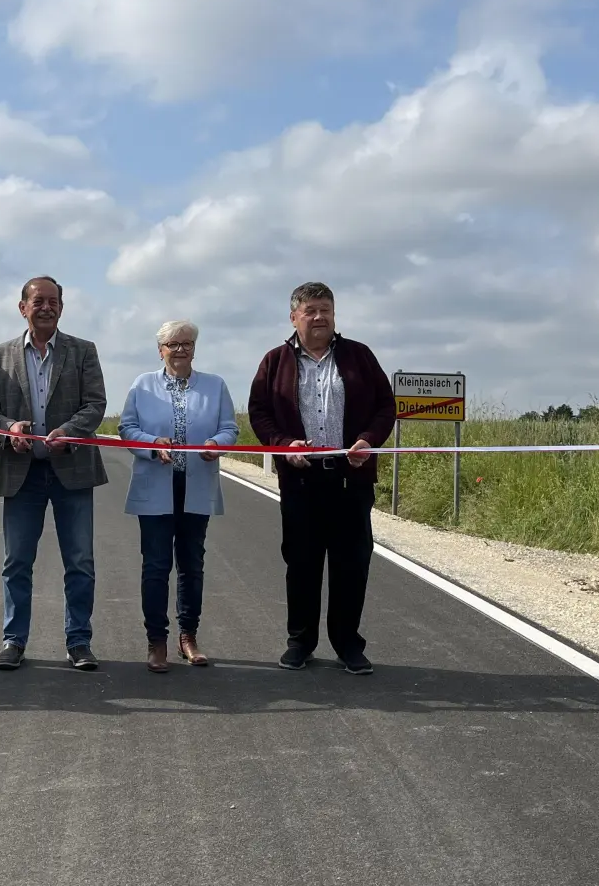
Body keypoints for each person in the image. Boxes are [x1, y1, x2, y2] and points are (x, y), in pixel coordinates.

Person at [247, 281, 394, 675]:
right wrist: (282, 444)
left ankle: (348, 645)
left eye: (325, 309)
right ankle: (300, 643)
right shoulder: (274, 361)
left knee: (352, 565)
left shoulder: (359, 357)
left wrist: (367, 440)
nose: (319, 317)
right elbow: (259, 413)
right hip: (301, 482)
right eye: (310, 310)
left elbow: (385, 406)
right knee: (302, 563)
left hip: (351, 480)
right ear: (294, 317)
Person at [0, 275, 108, 671]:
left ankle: (79, 641)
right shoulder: (0, 356)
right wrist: (9, 428)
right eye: (38, 301)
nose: (46, 307)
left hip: (72, 470)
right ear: (23, 307)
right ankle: (14, 639)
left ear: (62, 308)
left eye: (53, 301)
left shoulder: (83, 351)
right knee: (16, 562)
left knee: (80, 561)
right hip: (22, 472)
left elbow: (95, 404)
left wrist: (70, 431)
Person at [118, 320, 239, 672]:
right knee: (156, 566)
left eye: (188, 343)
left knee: (192, 565)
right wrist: (152, 444)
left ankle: (189, 635)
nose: (181, 349)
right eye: (174, 344)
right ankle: (157, 641)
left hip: (196, 484)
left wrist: (217, 444)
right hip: (156, 485)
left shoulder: (215, 386)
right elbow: (127, 428)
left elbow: (230, 428)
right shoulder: (143, 385)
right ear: (161, 350)